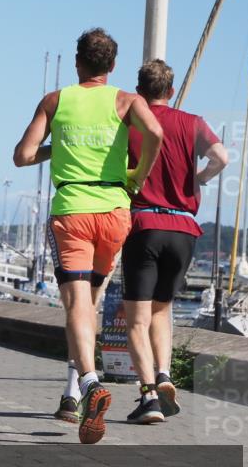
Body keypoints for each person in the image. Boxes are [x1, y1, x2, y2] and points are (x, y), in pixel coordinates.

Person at [13, 28, 162, 444]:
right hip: (115, 211)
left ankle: (88, 383)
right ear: (112, 66)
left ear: (77, 62)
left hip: (73, 211)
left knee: (77, 305)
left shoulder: (55, 101)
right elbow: (156, 134)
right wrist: (138, 175)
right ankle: (73, 393)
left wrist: (57, 146)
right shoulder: (126, 101)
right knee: (91, 303)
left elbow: (23, 155)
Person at [122, 59, 227, 423]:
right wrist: (199, 178)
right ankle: (165, 373)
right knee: (162, 309)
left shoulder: (131, 122)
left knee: (136, 320)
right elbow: (222, 157)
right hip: (183, 230)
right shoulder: (192, 123)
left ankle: (149, 396)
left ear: (139, 91)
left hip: (145, 225)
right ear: (171, 90)